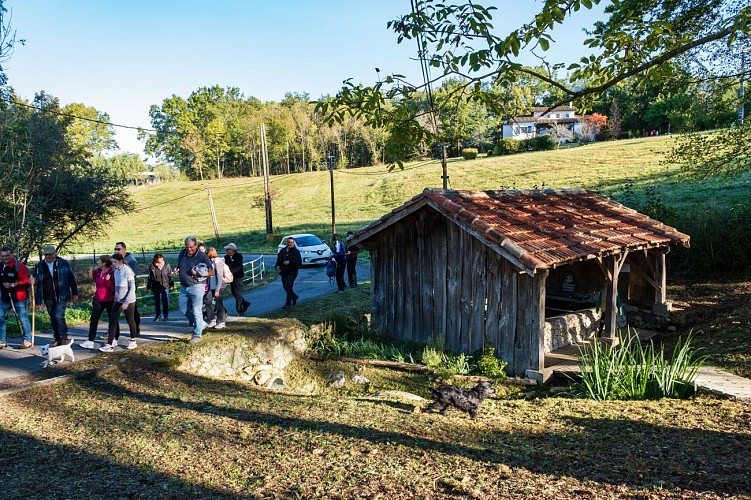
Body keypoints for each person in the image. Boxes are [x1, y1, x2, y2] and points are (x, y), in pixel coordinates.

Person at [33, 245, 79, 347]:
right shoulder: (40, 265)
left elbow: (71, 278)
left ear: (55, 253)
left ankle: (63, 338)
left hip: (61, 295)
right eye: (46, 255)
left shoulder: (63, 263)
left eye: (50, 254)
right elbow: (35, 278)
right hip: (47, 295)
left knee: (58, 316)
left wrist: (75, 293)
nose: (48, 257)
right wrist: (33, 280)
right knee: (53, 317)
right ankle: (57, 338)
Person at [175, 236, 213, 343]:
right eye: (187, 247)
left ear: (196, 245)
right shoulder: (182, 253)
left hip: (197, 286)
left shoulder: (202, 256)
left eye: (191, 247)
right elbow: (180, 266)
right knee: (183, 309)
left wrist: (198, 273)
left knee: (197, 311)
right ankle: (201, 324)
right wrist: (177, 270)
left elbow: (212, 271)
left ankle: (197, 335)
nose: (189, 249)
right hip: (184, 286)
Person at [99, 253, 138, 352]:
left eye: (115, 262)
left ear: (121, 261)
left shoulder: (128, 271)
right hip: (117, 300)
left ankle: (133, 340)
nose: (113, 264)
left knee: (130, 320)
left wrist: (126, 302)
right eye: (112, 262)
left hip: (128, 300)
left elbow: (132, 288)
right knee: (113, 321)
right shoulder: (115, 271)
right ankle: (110, 343)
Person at [0, 247, 33, 349]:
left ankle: (27, 340)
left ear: (12, 255)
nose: (5, 258)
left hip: (19, 297)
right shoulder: (1, 266)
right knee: (0, 317)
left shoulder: (19, 266)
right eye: (2, 256)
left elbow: (26, 280)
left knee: (23, 318)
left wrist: (12, 285)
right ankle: (2, 340)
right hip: (4, 297)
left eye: (7, 256)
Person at [80, 255, 116, 349]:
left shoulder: (111, 272)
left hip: (108, 300)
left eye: (98, 261)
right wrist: (94, 271)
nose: (97, 262)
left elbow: (113, 288)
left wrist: (108, 281)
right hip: (98, 299)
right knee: (93, 320)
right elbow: (95, 280)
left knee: (112, 320)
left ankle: (114, 338)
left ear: (103, 263)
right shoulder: (99, 271)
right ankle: (90, 340)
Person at [115, 242, 141, 335]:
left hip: (130, 287)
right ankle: (113, 331)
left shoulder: (131, 260)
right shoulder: (115, 258)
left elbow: (133, 274)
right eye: (115, 249)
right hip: (118, 288)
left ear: (124, 249)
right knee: (114, 311)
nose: (116, 251)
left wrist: (124, 264)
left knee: (132, 309)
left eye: (118, 249)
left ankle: (136, 327)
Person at [275, 236, 302, 309]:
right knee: (285, 287)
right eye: (289, 242)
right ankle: (294, 296)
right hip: (284, 272)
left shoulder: (296, 252)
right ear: (287, 243)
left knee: (288, 286)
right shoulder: (283, 250)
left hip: (292, 272)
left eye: (292, 242)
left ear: (294, 243)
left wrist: (290, 262)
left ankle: (288, 303)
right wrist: (277, 266)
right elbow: (279, 259)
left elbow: (299, 262)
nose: (290, 244)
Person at [205, 247, 228, 329]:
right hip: (210, 286)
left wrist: (217, 290)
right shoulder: (209, 262)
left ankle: (221, 321)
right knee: (207, 301)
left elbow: (219, 276)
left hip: (219, 286)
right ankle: (211, 320)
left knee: (219, 303)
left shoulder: (217, 262)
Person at [224, 242, 250, 315]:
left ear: (233, 250)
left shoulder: (238, 256)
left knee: (237, 293)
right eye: (227, 249)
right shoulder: (226, 257)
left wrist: (229, 272)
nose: (227, 251)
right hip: (230, 278)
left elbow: (237, 267)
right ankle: (245, 303)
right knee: (234, 292)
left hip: (238, 277)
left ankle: (239, 310)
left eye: (228, 249)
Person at [147, 253, 173, 322]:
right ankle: (158, 315)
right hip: (155, 285)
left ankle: (166, 315)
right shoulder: (152, 266)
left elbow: (169, 275)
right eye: (160, 258)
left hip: (165, 285)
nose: (161, 259)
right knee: (157, 301)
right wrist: (148, 286)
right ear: (156, 259)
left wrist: (171, 284)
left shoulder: (167, 265)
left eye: (162, 258)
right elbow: (150, 277)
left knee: (165, 301)